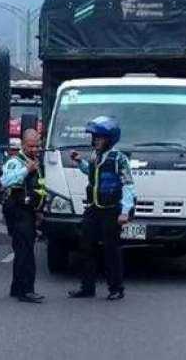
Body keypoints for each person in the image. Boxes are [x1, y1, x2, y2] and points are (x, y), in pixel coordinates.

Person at [67, 116, 136, 301]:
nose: (96, 141)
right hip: (94, 208)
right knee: (85, 246)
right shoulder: (94, 156)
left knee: (111, 250)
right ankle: (87, 287)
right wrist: (79, 162)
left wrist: (125, 211)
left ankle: (116, 288)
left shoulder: (118, 159)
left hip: (111, 210)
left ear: (110, 139)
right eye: (95, 137)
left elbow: (129, 185)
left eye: (100, 138)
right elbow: (91, 173)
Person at [0, 129, 47, 303]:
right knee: (25, 251)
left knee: (23, 249)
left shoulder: (34, 161)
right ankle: (26, 290)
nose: (35, 149)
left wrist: (39, 210)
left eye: (37, 146)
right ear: (22, 144)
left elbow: (39, 188)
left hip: (30, 211)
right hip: (17, 210)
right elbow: (5, 181)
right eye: (31, 146)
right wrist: (26, 170)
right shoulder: (16, 162)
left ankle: (17, 287)